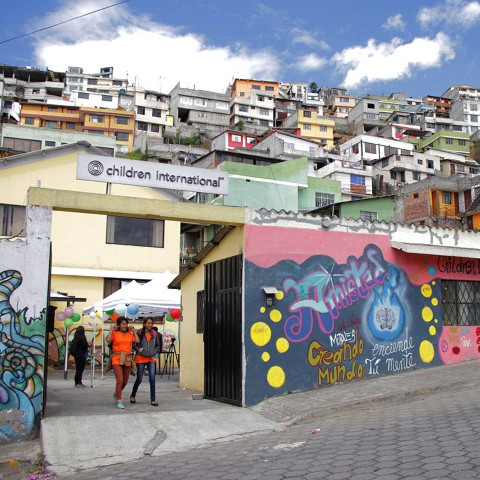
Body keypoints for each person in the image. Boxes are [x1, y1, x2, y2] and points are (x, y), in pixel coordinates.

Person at [106, 316, 139, 409]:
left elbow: (137, 340)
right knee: (120, 380)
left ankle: (116, 393)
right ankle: (119, 400)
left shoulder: (129, 334)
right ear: (119, 325)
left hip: (127, 358)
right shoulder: (115, 333)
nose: (125, 326)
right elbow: (108, 340)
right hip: (117, 357)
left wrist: (134, 331)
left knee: (125, 381)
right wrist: (112, 330)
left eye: (126, 324)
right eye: (123, 324)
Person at [130, 317, 162, 406]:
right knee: (139, 379)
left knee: (152, 379)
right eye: (148, 323)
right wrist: (138, 349)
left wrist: (154, 351)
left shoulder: (155, 334)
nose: (150, 325)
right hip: (141, 358)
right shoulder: (140, 332)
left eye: (151, 323)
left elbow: (158, 345)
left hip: (151, 358)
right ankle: (133, 395)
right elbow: (133, 344)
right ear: (144, 324)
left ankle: (153, 400)